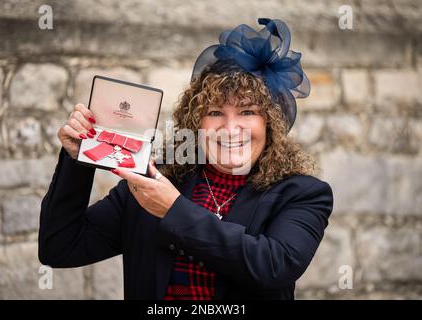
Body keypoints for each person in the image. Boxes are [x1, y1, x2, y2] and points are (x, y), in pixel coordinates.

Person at [38, 18, 333, 300]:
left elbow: (273, 266)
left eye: (247, 112)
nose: (230, 129)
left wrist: (173, 210)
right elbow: (60, 247)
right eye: (215, 112)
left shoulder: (302, 194)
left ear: (270, 124)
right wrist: (78, 160)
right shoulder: (152, 182)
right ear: (196, 123)